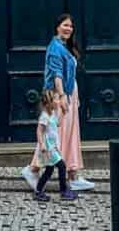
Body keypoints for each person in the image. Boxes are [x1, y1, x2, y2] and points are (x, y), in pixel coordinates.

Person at [21, 14, 95, 192]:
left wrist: (70, 96)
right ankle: (33, 169)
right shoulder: (55, 48)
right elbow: (57, 74)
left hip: (68, 93)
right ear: (57, 27)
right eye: (65, 25)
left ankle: (73, 174)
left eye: (70, 26)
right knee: (55, 133)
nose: (68, 28)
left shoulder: (64, 47)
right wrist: (61, 97)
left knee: (69, 134)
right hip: (58, 95)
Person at [32, 89, 77, 203]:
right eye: (56, 99)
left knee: (49, 171)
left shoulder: (52, 114)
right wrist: (42, 144)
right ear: (49, 102)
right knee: (62, 166)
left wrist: (63, 112)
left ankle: (38, 192)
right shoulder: (44, 116)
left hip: (53, 147)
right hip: (48, 148)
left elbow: (58, 124)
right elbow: (39, 131)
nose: (58, 101)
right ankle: (63, 191)